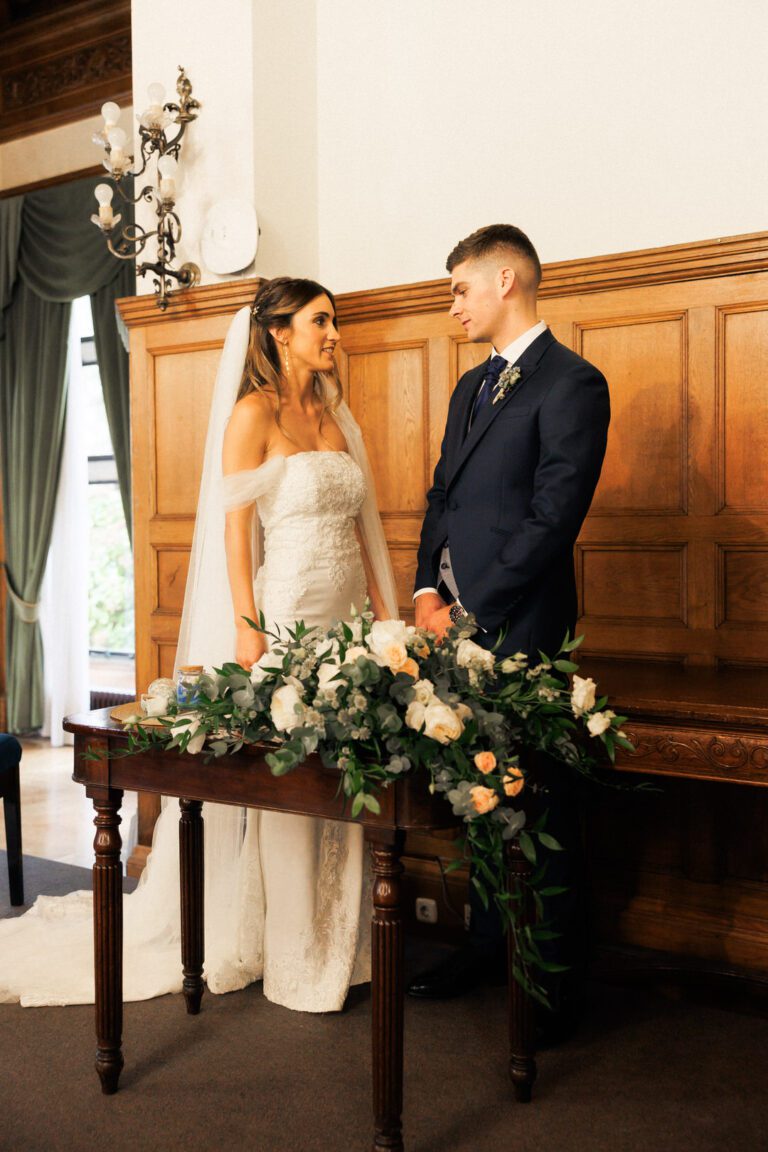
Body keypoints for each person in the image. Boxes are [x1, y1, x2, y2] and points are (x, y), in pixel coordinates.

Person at [0, 277, 398, 1013]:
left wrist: (384, 616)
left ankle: (343, 949)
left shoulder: (336, 413)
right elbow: (233, 529)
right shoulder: (254, 413)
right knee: (289, 782)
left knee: (342, 776)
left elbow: (362, 526)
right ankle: (291, 956)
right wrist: (249, 625)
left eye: (333, 321)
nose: (334, 333)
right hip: (286, 617)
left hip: (346, 621)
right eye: (321, 321)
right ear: (280, 332)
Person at [407, 225, 610, 1024]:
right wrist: (426, 592)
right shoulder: (467, 389)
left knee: (539, 799)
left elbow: (553, 516)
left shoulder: (572, 384)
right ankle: (488, 946)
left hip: (522, 625)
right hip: (449, 625)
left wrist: (473, 606)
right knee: (474, 792)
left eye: (459, 288)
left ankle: (552, 981)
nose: (452, 304)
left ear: (504, 280)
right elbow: (440, 500)